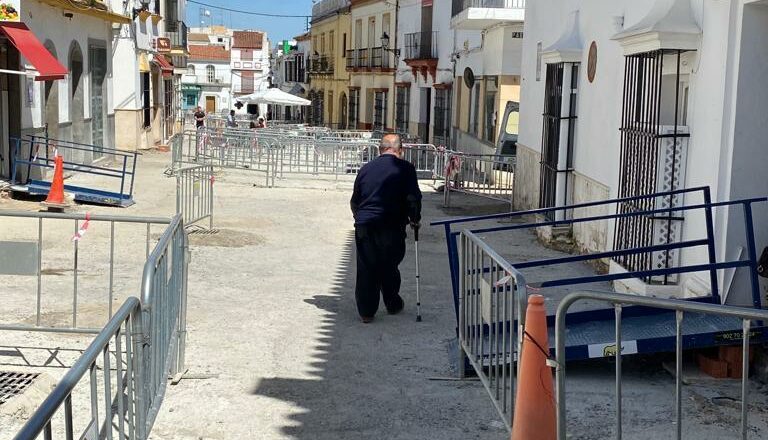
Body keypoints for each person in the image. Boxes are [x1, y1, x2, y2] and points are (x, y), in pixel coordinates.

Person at [350, 134, 422, 323]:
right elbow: (413, 198)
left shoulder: (365, 169)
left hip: (365, 224)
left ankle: (366, 312)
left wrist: (359, 218)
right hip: (391, 224)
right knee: (389, 264)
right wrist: (415, 219)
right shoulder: (406, 168)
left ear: (380, 149)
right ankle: (392, 303)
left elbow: (355, 200)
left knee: (366, 268)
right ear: (400, 150)